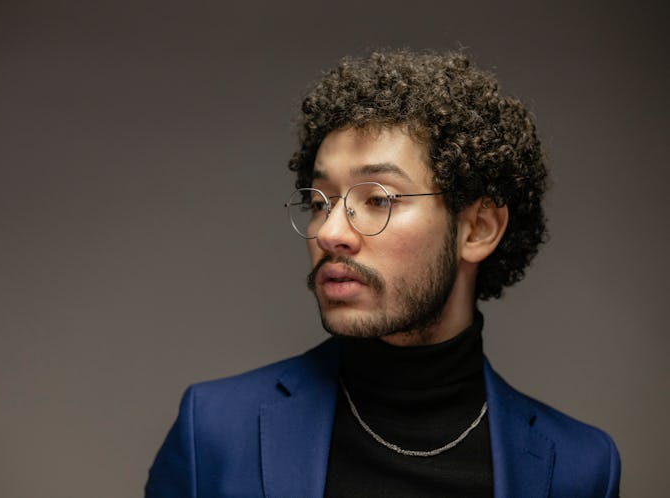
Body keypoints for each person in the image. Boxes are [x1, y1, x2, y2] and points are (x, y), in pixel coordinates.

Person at [145, 49, 621, 497]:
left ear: (477, 229)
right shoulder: (215, 430)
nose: (330, 232)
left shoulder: (580, 467)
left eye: (377, 199)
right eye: (319, 202)